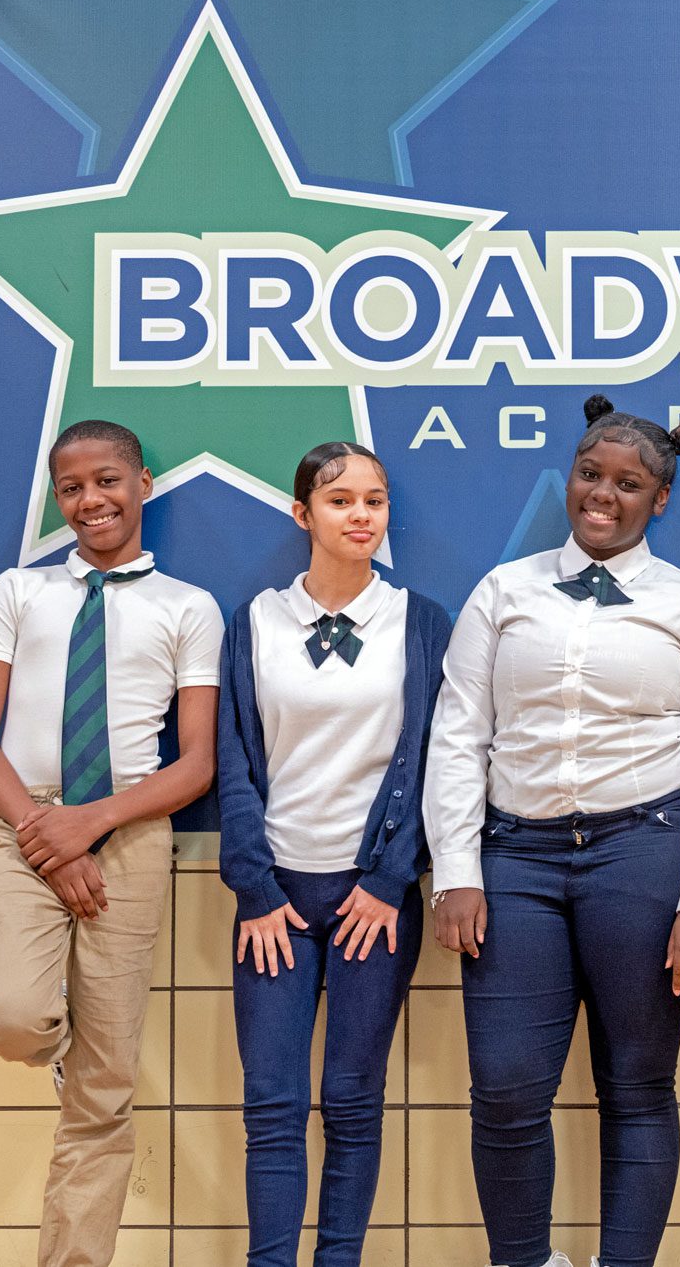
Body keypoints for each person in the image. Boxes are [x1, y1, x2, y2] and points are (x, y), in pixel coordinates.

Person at [423, 395, 680, 1267]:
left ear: (660, 499)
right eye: (589, 473)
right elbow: (460, 732)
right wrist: (456, 869)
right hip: (514, 860)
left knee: (639, 1086)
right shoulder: (505, 591)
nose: (602, 494)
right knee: (502, 1088)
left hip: (643, 852)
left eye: (628, 483)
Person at [0, 419, 222, 1267]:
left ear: (143, 481)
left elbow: (197, 764)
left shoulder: (187, 606)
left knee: (106, 1094)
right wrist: (54, 840)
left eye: (107, 480)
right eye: (72, 488)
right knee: (19, 1022)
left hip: (130, 834)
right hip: (23, 822)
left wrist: (95, 824)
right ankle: (61, 1052)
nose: (91, 500)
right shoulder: (18, 592)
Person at [216, 441, 452, 1267]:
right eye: (341, 499)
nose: (361, 515)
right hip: (276, 901)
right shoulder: (255, 620)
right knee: (272, 1104)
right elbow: (235, 760)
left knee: (353, 1101)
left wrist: (392, 877)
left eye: (375, 500)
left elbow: (431, 759)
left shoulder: (420, 621)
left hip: (372, 903)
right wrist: (253, 886)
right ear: (302, 513)